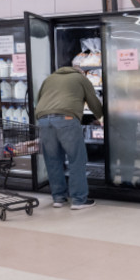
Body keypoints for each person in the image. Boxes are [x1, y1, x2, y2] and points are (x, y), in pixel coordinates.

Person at [35, 65, 103, 210]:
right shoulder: (80, 78)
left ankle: (58, 198)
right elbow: (93, 101)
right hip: (66, 118)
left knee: (53, 159)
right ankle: (79, 199)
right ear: (80, 72)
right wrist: (102, 118)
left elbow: (38, 99)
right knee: (76, 158)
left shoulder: (49, 78)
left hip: (44, 120)